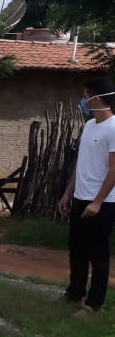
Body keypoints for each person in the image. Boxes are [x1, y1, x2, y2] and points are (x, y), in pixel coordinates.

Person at [58, 78, 115, 317]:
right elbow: (81, 163)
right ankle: (75, 292)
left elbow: (114, 170)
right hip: (80, 196)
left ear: (96, 97)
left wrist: (98, 201)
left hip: (103, 201)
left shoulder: (113, 128)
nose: (83, 100)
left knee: (97, 253)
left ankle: (94, 304)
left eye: (86, 95)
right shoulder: (90, 125)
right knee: (77, 249)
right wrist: (68, 191)